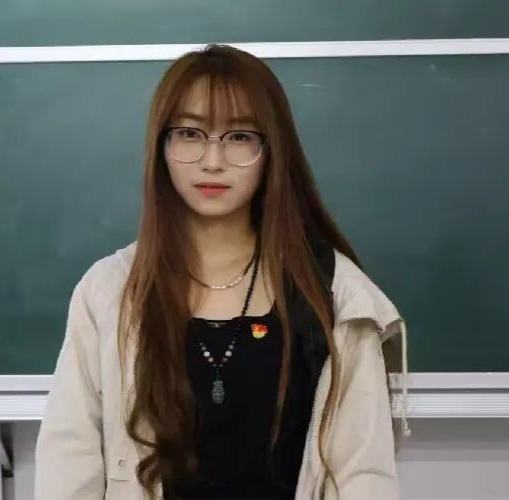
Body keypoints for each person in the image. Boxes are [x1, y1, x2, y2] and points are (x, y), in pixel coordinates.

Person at [34, 44, 408, 500]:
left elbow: (364, 473)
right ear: (162, 147)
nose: (212, 161)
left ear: (271, 150)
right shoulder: (109, 290)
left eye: (239, 137)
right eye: (190, 134)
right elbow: (69, 461)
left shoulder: (334, 292)